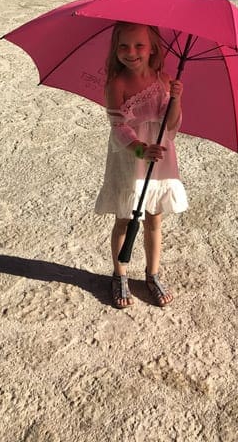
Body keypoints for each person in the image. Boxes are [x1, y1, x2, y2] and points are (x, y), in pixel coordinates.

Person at [94, 23, 187, 309]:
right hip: (130, 156)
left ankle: (152, 273)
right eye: (123, 46)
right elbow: (118, 125)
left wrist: (176, 98)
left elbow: (172, 125)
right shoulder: (116, 84)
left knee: (154, 217)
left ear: (152, 49)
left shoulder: (164, 80)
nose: (130, 52)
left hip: (159, 156)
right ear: (115, 48)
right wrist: (138, 148)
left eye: (139, 46)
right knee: (125, 217)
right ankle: (120, 273)